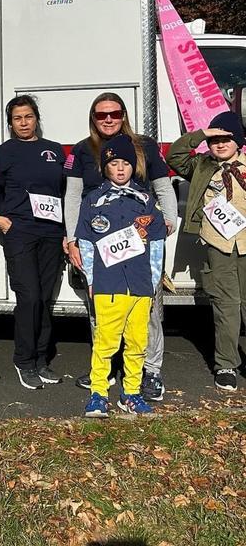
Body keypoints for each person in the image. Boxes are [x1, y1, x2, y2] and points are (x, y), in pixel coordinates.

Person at [64, 92, 177, 399]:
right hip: (101, 241)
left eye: (114, 113)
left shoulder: (146, 147)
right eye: (101, 115)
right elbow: (73, 196)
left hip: (141, 240)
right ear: (93, 119)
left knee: (148, 308)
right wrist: (73, 237)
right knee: (101, 308)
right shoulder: (82, 150)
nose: (109, 119)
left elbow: (163, 187)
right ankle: (106, 369)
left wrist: (169, 220)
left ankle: (149, 371)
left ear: (124, 115)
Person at [76, 134, 166, 417]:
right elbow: (87, 245)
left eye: (126, 163)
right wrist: (91, 279)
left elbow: (157, 245)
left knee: (137, 342)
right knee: (105, 342)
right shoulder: (94, 201)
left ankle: (131, 393)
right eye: (114, 163)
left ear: (134, 166)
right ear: (105, 167)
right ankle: (98, 393)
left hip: (140, 285)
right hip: (108, 285)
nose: (120, 168)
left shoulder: (146, 200)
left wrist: (152, 284)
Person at [0, 95, 65, 390]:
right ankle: (24, 360)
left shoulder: (54, 151)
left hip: (51, 233)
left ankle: (41, 359)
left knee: (45, 299)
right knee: (29, 297)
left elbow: (64, 191)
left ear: (36, 119)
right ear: (10, 123)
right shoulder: (2, 153)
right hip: (19, 232)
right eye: (17, 118)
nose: (23, 122)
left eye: (28, 117)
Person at [166, 111, 246, 391]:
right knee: (226, 305)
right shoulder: (202, 166)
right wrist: (202, 134)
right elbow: (174, 157)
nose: (220, 144)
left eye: (227, 138)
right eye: (216, 140)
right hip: (218, 244)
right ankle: (226, 363)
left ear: (239, 141)